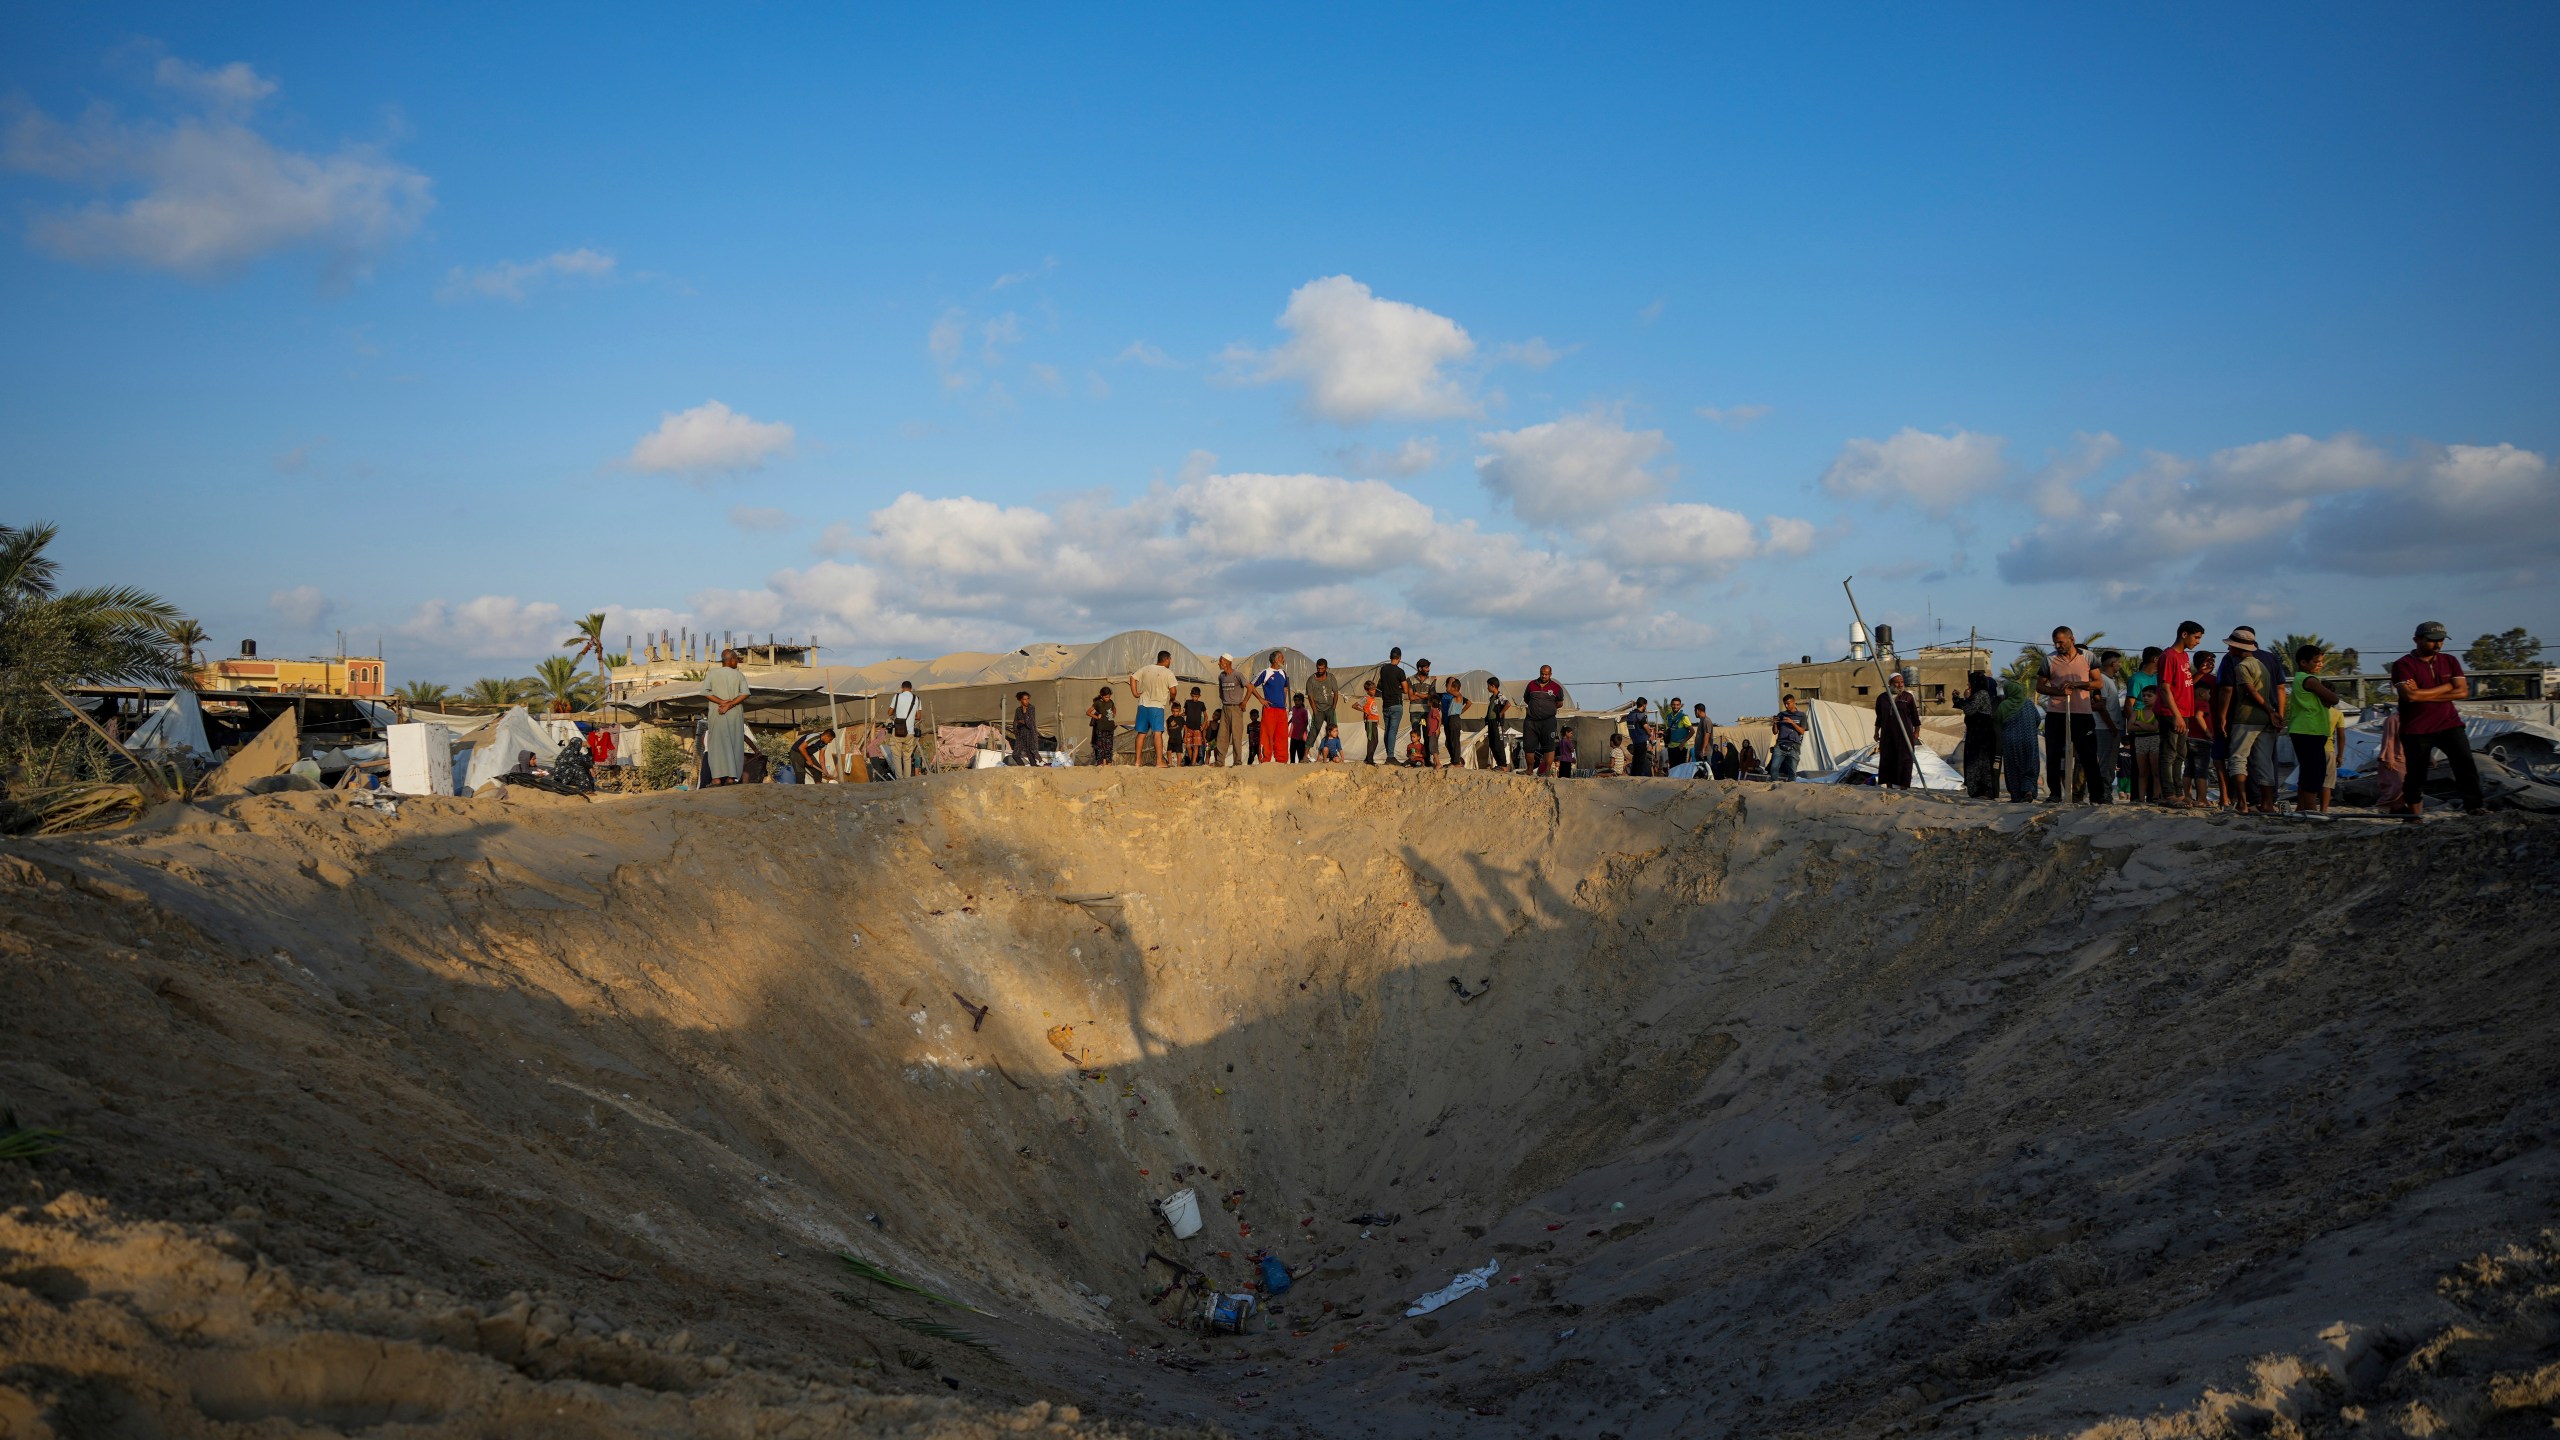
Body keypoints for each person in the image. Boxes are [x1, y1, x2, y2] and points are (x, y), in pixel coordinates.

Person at [2389, 620, 2485, 816]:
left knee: (2465, 763)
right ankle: (2414, 813)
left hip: (2449, 723)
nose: (2437, 645)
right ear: (2417, 639)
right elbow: (2409, 696)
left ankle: (2474, 807)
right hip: (2416, 728)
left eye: (2441, 640)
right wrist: (2447, 687)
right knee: (2417, 773)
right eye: (2432, 640)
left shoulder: (2450, 661)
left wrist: (2423, 693)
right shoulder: (2403, 665)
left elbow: (2462, 692)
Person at [2217, 626, 2283, 814]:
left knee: (2238, 759)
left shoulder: (2241, 666)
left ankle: (2243, 803)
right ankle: (2268, 804)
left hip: (2246, 718)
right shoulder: (2264, 664)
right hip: (2265, 721)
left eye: (2231, 647)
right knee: (2265, 762)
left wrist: (2222, 717)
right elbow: (2277, 689)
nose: (2229, 650)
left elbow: (2249, 691)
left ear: (2238, 648)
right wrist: (2273, 712)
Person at [2038, 626, 2101, 802]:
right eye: (2055, 643)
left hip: (2082, 712)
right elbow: (2040, 686)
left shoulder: (2088, 657)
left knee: (2088, 754)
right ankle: (2055, 794)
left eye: (2061, 642)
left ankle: (2097, 795)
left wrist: (2078, 684)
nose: (2058, 645)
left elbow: (2098, 683)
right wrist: (2058, 691)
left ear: (2071, 639)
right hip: (2056, 712)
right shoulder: (2049, 660)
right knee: (2053, 754)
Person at [2287, 645, 2341, 813]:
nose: (2320, 665)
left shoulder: (2300, 679)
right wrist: (2326, 697)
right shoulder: (2309, 680)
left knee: (2307, 771)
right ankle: (2310, 810)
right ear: (2303, 662)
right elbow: (2333, 698)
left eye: (2321, 661)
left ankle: (2301, 809)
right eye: (2316, 662)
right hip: (2309, 730)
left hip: (2305, 730)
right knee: (2314, 773)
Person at [2157, 623, 2204, 807]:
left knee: (2180, 754)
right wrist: (2176, 715)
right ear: (2184, 634)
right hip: (2172, 712)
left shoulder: (2184, 656)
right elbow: (2165, 687)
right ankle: (2169, 794)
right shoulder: (2168, 656)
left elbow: (2185, 682)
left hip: (2184, 712)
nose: (2197, 642)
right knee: (2168, 754)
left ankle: (2178, 792)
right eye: (2196, 637)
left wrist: (2200, 674)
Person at [703, 647, 749, 785]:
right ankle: (731, 778)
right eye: (736, 659)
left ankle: (716, 779)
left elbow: (705, 692)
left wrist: (721, 702)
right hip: (734, 715)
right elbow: (745, 693)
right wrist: (729, 704)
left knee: (716, 745)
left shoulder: (712, 674)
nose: (737, 663)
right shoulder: (739, 675)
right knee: (735, 744)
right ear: (732, 660)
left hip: (717, 713)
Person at [1999, 658, 2043, 802]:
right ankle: (2028, 790)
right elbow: (2037, 720)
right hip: (2029, 740)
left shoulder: (2004, 706)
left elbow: (1998, 723)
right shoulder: (2029, 704)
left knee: (2013, 768)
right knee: (2030, 767)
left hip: (2011, 742)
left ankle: (2017, 795)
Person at [2127, 649, 2164, 804]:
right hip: (2139, 728)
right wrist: (2137, 723)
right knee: (2140, 768)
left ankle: (2154, 796)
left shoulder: (2158, 678)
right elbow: (2130, 704)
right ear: (2156, 659)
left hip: (2156, 728)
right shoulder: (2136, 679)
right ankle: (2137, 796)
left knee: (2156, 768)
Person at [1130, 649, 1178, 768]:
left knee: (1141, 733)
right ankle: (1159, 762)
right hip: (1156, 707)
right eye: (1170, 659)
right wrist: (1172, 699)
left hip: (1143, 705)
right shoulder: (1168, 673)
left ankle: (1137, 762)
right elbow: (1173, 691)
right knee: (1157, 733)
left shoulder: (1146, 668)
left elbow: (1133, 678)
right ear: (1166, 659)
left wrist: (1135, 693)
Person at [1956, 672, 2000, 798]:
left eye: (1970, 681)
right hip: (1976, 734)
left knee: (1980, 762)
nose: (1968, 684)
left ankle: (1983, 790)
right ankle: (1977, 789)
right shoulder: (1978, 694)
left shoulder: (1981, 694)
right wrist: (1958, 699)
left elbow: (1970, 710)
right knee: (1975, 762)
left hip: (1980, 735)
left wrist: (1965, 698)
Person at [2089, 650, 2125, 804]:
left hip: (2109, 727)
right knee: (2107, 762)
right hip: (2105, 728)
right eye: (2118, 662)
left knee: (2109, 762)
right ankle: (2104, 794)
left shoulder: (2109, 681)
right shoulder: (2103, 680)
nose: (2120, 665)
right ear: (2112, 663)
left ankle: (2105, 793)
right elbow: (2101, 706)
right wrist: (2113, 727)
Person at [1874, 671, 1921, 789]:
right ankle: (1889, 784)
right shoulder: (1882, 698)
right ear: (1889, 684)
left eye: (1902, 682)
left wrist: (1916, 731)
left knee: (1905, 758)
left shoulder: (1908, 697)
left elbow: (1915, 716)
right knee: (1887, 758)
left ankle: (1904, 785)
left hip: (1904, 734)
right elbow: (1879, 717)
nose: (1900, 685)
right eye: (1897, 682)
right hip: (1887, 734)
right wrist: (1876, 732)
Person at [1522, 665, 1564, 776]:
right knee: (1529, 747)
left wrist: (1548, 708)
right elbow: (1527, 699)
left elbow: (1559, 703)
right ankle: (1529, 769)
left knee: (1549, 747)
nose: (1543, 676)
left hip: (1548, 721)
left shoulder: (1556, 687)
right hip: (1531, 721)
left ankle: (1547, 771)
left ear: (1550, 674)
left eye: (1546, 674)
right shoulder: (1531, 685)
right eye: (1542, 673)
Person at [1251, 651, 1292, 763]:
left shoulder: (1283, 673)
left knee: (1282, 736)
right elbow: (1251, 685)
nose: (1284, 660)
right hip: (1270, 709)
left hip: (1281, 710)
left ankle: (1282, 760)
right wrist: (1261, 699)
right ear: (1276, 659)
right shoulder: (1266, 672)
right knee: (1267, 735)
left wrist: (1284, 701)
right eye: (1282, 658)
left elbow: (1285, 688)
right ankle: (1265, 760)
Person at [1215, 653, 1249, 767]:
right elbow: (1220, 692)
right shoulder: (1221, 676)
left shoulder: (1237, 675)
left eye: (1221, 661)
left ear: (1227, 662)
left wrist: (1244, 702)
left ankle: (1237, 762)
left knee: (1236, 736)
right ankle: (1219, 762)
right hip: (1225, 708)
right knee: (1222, 735)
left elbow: (1250, 688)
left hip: (1236, 708)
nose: (1219, 663)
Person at [1376, 647, 1409, 765]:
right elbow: (1405, 690)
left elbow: (1381, 684)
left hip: (1385, 704)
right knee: (1393, 731)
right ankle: (1390, 756)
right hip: (1396, 704)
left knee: (1387, 730)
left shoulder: (1383, 670)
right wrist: (1398, 687)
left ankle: (1388, 755)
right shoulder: (1400, 672)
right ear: (1399, 658)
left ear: (1390, 657)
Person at [887, 679, 922, 780]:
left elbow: (889, 712)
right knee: (907, 757)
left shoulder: (897, 696)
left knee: (897, 756)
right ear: (911, 689)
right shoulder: (917, 699)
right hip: (910, 733)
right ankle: (907, 780)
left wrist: (897, 716)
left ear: (902, 688)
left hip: (897, 731)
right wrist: (911, 718)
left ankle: (899, 779)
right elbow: (919, 717)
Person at [1771, 695, 1807, 782]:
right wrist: (1775, 723)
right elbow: (1775, 732)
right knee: (1774, 767)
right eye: (1785, 704)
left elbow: (1802, 731)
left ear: (1794, 702)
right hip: (1780, 744)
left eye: (1788, 703)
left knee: (1792, 770)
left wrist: (1792, 722)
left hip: (1794, 746)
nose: (1786, 706)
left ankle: (1791, 788)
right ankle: (1775, 784)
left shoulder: (1801, 715)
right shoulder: (1781, 715)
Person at [1306, 659, 1340, 750]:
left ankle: (1333, 752)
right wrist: (1315, 711)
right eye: (1318, 668)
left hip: (1329, 708)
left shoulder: (1331, 677)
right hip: (1318, 709)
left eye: (1322, 669)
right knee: (1314, 731)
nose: (1320, 671)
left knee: (1333, 730)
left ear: (1326, 668)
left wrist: (1333, 707)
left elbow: (1336, 693)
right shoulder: (1311, 680)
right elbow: (1310, 696)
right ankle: (1305, 755)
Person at [1438, 675, 1470, 769]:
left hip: (1454, 718)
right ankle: (1454, 760)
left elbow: (1448, 690)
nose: (1450, 688)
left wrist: (1451, 681)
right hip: (1450, 718)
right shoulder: (1454, 697)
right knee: (1449, 742)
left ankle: (1456, 762)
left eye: (1452, 686)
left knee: (1454, 741)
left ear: (1455, 688)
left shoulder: (1458, 695)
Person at [1481, 677, 1511, 772]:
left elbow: (1508, 704)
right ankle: (1499, 764)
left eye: (1488, 686)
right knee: (1492, 743)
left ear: (1493, 686)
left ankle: (1503, 765)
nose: (1487, 688)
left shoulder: (1500, 696)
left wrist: (1501, 713)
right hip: (1491, 722)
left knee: (1498, 744)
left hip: (1496, 723)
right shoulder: (1492, 698)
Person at [1621, 696, 1652, 778]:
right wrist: (1650, 734)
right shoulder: (1640, 715)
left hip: (1635, 740)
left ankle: (1633, 775)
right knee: (1640, 760)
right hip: (1642, 740)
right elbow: (1645, 727)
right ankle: (1638, 777)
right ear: (1644, 705)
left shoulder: (1630, 715)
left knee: (1635, 759)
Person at [1087, 685, 1117, 765]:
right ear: (1101, 696)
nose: (1107, 698)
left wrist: (1113, 715)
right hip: (1101, 728)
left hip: (1110, 727)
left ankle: (1109, 762)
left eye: (1109, 697)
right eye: (1106, 697)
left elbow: (1114, 709)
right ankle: (1101, 762)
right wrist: (1096, 717)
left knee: (1109, 746)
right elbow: (1088, 712)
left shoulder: (1111, 702)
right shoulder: (1098, 703)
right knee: (1101, 746)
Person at [1010, 692, 1040, 767]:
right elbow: (1015, 722)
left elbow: (1030, 722)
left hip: (1030, 733)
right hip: (1021, 734)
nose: (1026, 701)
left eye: (1027, 699)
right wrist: (1018, 726)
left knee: (1030, 753)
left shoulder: (1031, 708)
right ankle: (1023, 768)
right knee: (1015, 754)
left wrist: (1024, 717)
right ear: (1020, 700)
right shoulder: (1018, 710)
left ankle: (1034, 768)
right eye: (1024, 699)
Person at [1663, 696, 1692, 769]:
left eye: (1677, 705)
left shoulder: (1683, 717)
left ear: (1680, 706)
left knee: (1680, 768)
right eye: (1673, 704)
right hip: (1670, 746)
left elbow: (1692, 731)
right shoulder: (1668, 716)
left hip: (1680, 747)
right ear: (1671, 705)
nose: (1675, 706)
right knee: (1672, 767)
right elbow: (1668, 730)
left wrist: (1683, 743)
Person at [1359, 680, 1383, 764]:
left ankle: (1368, 757)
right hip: (1369, 722)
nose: (1374, 691)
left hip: (1374, 721)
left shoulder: (1373, 699)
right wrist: (1365, 711)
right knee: (1371, 740)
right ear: (1367, 690)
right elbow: (1354, 705)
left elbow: (1374, 710)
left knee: (1376, 741)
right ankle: (1369, 760)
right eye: (1371, 690)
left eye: (1374, 689)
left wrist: (1377, 719)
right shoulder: (1366, 698)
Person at [1182, 686, 1208, 766]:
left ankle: (1193, 763)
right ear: (1190, 695)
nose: (1194, 698)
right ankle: (1191, 761)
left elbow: (1206, 716)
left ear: (1199, 696)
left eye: (1196, 696)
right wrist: (1179, 715)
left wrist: (1203, 726)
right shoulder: (1187, 702)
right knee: (1188, 746)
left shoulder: (1201, 704)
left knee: (1196, 746)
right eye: (1193, 696)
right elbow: (1186, 713)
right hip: (1188, 728)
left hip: (1197, 729)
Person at [1288, 692, 1310, 762]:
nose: (1296, 702)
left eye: (1298, 700)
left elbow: (1306, 722)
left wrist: (1301, 733)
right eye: (1295, 700)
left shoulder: (1304, 711)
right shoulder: (1294, 708)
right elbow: (1294, 717)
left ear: (1302, 701)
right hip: (1294, 734)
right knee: (1292, 751)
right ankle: (1292, 766)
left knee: (1300, 753)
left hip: (1301, 736)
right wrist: (1288, 722)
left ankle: (1300, 767)